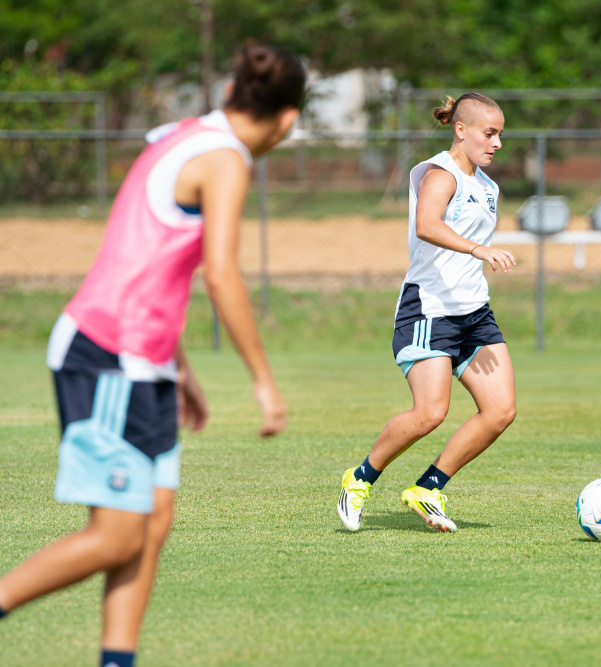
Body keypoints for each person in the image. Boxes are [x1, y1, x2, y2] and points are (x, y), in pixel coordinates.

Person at [0, 44, 304, 667]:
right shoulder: (226, 160)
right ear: (289, 120)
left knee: (152, 525)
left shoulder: (183, 136)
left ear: (230, 94)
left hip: (148, 359)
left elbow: (148, 267)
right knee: (115, 537)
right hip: (109, 353)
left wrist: (181, 368)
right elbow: (220, 274)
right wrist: (264, 382)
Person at [337, 93, 517, 533]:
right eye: (489, 133)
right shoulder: (441, 172)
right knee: (430, 413)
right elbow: (427, 225)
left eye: (500, 135)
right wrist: (479, 249)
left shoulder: (488, 187)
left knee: (500, 410)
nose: (496, 143)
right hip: (430, 310)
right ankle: (359, 479)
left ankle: (429, 488)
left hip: (474, 312)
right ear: (461, 130)